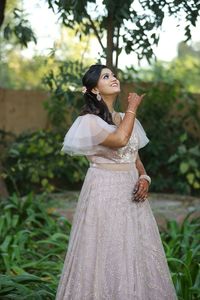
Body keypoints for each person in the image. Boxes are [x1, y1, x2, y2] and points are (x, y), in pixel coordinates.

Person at [56, 64, 177, 300]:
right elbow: (121, 140)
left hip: (131, 194)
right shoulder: (89, 121)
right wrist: (133, 107)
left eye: (113, 74)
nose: (113, 78)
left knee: (134, 249)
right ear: (93, 89)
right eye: (105, 76)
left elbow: (135, 158)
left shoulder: (124, 118)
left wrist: (144, 177)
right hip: (104, 190)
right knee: (107, 249)